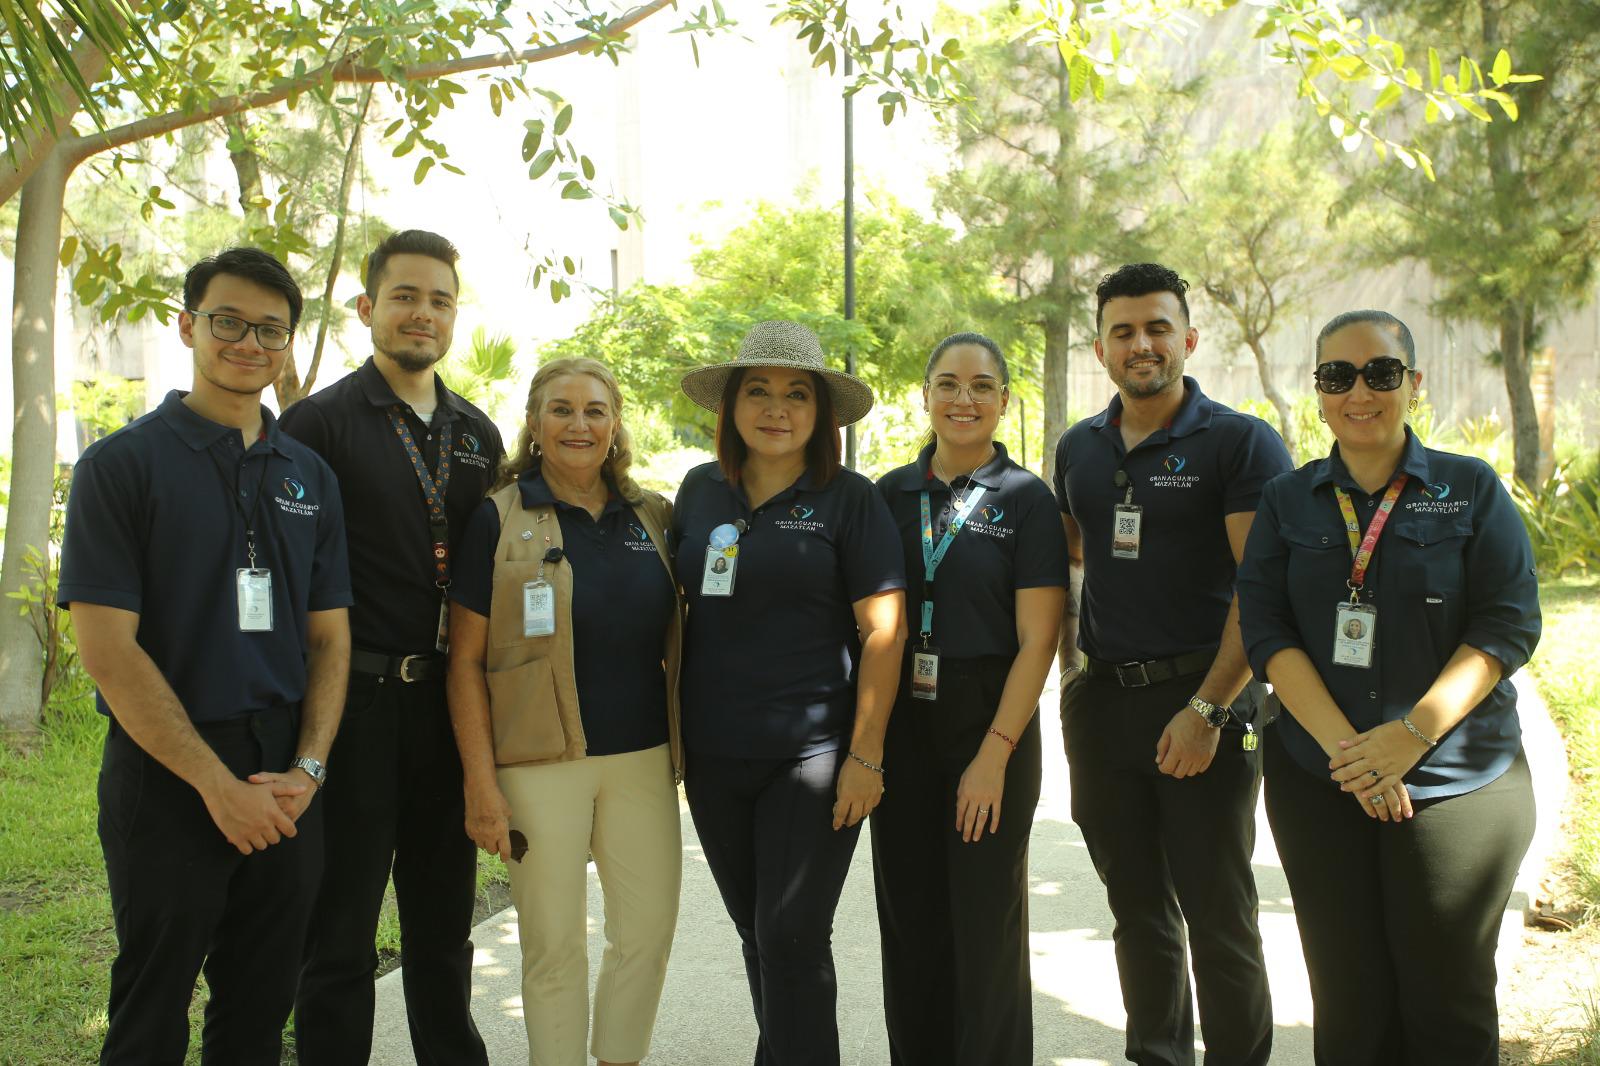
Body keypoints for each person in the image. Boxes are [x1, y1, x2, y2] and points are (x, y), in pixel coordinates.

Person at [59, 247, 352, 1065]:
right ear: (189, 325)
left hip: (287, 773)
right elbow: (108, 653)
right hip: (168, 772)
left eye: (271, 329)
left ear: (290, 343)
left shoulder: (310, 476)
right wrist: (215, 786)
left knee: (261, 1004)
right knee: (152, 1008)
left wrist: (311, 769)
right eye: (228, 321)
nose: (249, 343)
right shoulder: (120, 467)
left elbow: (330, 637)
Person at [1237, 310, 1540, 1066]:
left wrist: (1408, 737)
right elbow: (1268, 632)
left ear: (1413, 382)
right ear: (1318, 391)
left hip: (1458, 779)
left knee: (1446, 1000)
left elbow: (1506, 627)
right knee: (1349, 1001)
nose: (1359, 392)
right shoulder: (1287, 499)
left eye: (1381, 372)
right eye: (1338, 377)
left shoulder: (1470, 490)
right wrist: (1355, 754)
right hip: (1322, 775)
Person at [1053, 263, 1290, 1066]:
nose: (1141, 344)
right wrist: (1072, 679)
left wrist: (1212, 709)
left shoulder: (1239, 441)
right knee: (1139, 911)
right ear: (1101, 348)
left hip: (1205, 701)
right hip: (1104, 705)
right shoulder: (1079, 448)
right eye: (1123, 331)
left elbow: (1262, 590)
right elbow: (1075, 558)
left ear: (1188, 338)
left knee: (1218, 913)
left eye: (1157, 328)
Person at [279, 229, 502, 1065]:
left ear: (453, 315)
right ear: (369, 308)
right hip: (355, 707)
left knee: (444, 929)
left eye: (439, 299)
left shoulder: (476, 432)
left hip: (452, 706)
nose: (423, 313)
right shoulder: (318, 424)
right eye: (405, 296)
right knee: (338, 935)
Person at [673, 321, 907, 1065]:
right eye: (760, 391)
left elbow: (884, 631)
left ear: (822, 413)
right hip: (714, 756)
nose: (777, 408)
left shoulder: (849, 500)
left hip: (812, 756)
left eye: (796, 393)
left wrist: (865, 756)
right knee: (758, 935)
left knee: (793, 935)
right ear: (733, 406)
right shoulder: (699, 491)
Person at [446, 357, 684, 1066]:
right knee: (553, 944)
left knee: (646, 932)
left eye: (594, 410)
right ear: (534, 423)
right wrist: (480, 783)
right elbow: (463, 661)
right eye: (561, 409)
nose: (579, 424)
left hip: (642, 757)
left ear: (615, 425)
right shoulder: (499, 514)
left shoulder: (654, 515)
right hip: (538, 763)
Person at [871, 333, 1067, 1065]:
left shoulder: (1026, 500)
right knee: (911, 922)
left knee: (986, 929)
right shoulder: (887, 495)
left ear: (1003, 401)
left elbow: (1038, 641)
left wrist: (993, 753)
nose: (964, 398)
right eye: (948, 384)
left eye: (981, 386)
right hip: (902, 722)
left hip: (991, 717)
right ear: (925, 396)